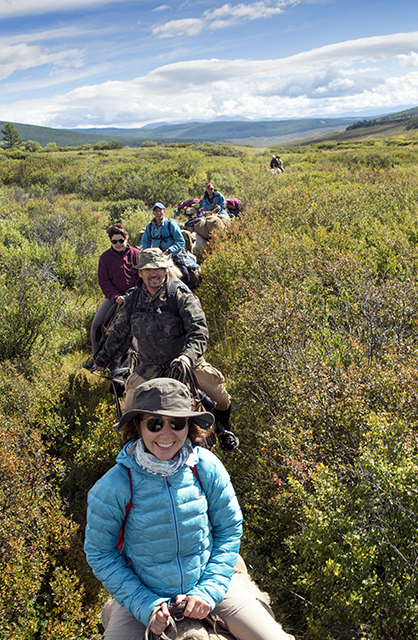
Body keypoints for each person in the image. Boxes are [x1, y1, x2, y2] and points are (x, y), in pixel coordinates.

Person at [85, 378, 293, 640]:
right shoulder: (114, 485)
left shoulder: (205, 466)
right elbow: (99, 552)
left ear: (189, 426)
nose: (167, 434)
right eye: (155, 423)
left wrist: (208, 590)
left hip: (209, 584)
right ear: (138, 425)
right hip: (144, 596)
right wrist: (144, 604)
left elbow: (229, 528)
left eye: (177, 423)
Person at [87, 247, 238, 451]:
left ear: (165, 270)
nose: (153, 273)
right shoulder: (132, 300)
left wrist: (187, 357)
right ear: (140, 272)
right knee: (128, 410)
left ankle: (224, 431)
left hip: (185, 363)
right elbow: (119, 333)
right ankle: (131, 451)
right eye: (148, 270)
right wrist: (101, 360)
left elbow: (198, 330)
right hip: (149, 367)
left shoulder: (179, 294)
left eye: (158, 268)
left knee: (220, 397)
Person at [91, 223, 140, 356]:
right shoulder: (105, 258)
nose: (118, 244)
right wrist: (115, 297)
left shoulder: (137, 254)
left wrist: (137, 293)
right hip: (114, 298)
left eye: (121, 240)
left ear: (126, 238)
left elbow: (143, 276)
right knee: (97, 324)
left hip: (137, 297)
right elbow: (104, 281)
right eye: (114, 241)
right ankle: (96, 355)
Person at [141, 202, 195, 283]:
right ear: (153, 213)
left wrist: (171, 250)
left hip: (173, 254)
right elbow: (145, 241)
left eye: (160, 210)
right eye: (156, 211)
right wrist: (149, 251)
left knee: (184, 274)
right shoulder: (150, 226)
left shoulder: (171, 224)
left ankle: (186, 290)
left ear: (164, 212)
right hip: (157, 255)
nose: (158, 213)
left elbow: (180, 241)